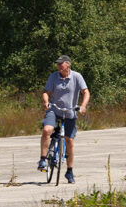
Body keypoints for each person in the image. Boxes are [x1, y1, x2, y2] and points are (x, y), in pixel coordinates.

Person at [38, 55, 90, 184]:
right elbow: (46, 92)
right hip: (54, 110)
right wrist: (46, 102)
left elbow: (86, 92)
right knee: (47, 130)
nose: (59, 66)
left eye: (61, 64)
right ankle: (43, 159)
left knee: (69, 140)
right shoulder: (53, 76)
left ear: (68, 65)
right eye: (58, 64)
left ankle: (69, 171)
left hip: (70, 112)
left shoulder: (77, 76)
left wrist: (83, 106)